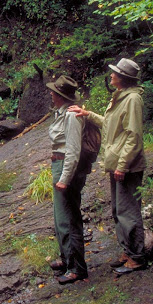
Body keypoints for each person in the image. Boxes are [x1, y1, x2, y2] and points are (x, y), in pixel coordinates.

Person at [69, 58, 146, 274]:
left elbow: (133, 136)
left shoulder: (132, 100)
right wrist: (88, 115)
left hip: (127, 165)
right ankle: (128, 251)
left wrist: (123, 165)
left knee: (128, 211)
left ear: (123, 78)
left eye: (114, 73)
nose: (111, 75)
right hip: (117, 164)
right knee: (118, 210)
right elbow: (111, 125)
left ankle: (137, 257)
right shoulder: (120, 98)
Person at [46, 75, 89, 284]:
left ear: (61, 96)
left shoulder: (71, 117)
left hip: (66, 167)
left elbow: (73, 150)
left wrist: (64, 178)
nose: (51, 94)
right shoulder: (61, 113)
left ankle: (77, 268)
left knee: (69, 219)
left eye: (54, 92)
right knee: (60, 217)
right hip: (59, 165)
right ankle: (66, 258)